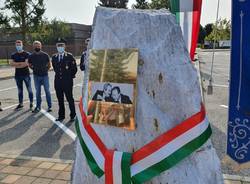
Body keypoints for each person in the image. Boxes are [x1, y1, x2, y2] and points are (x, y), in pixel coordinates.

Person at [51, 38, 77, 122]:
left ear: (65, 46)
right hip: (58, 82)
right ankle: (61, 116)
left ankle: (73, 115)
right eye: (58, 45)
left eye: (62, 45)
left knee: (70, 98)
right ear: (56, 46)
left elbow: (74, 69)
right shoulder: (54, 57)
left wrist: (69, 77)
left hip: (67, 81)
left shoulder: (69, 56)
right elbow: (55, 69)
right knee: (60, 99)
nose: (60, 47)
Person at [28, 41, 52, 113]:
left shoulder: (45, 55)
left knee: (47, 91)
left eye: (38, 46)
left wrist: (45, 70)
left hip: (45, 76)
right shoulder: (31, 56)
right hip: (36, 76)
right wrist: (34, 69)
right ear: (33, 47)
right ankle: (38, 107)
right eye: (35, 46)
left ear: (41, 46)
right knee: (38, 92)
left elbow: (49, 65)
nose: (37, 47)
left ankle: (49, 106)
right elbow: (29, 64)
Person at [10, 40, 33, 110]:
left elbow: (26, 64)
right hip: (17, 75)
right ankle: (21, 104)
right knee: (20, 90)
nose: (18, 46)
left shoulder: (27, 54)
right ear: (15, 46)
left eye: (19, 45)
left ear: (22, 45)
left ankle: (31, 103)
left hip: (26, 74)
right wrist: (21, 64)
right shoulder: (13, 55)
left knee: (29, 90)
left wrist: (16, 64)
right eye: (17, 45)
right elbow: (11, 64)